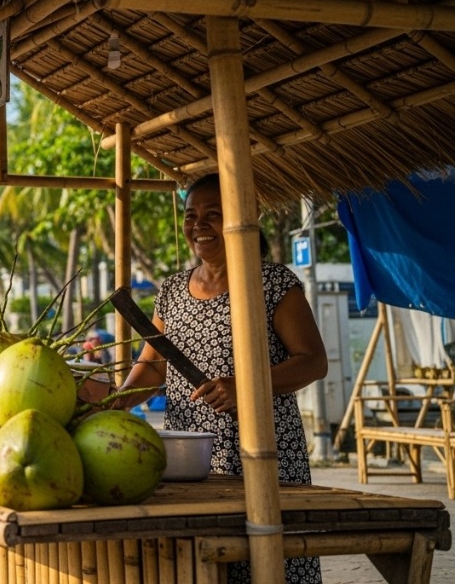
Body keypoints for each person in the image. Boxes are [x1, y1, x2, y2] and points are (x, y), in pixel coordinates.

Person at [111, 174, 328, 584]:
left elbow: (313, 362)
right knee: (203, 562)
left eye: (214, 215)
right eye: (192, 216)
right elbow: (153, 366)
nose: (200, 226)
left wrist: (245, 386)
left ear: (242, 219)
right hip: (190, 458)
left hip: (262, 451)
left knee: (267, 559)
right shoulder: (172, 290)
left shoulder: (273, 284)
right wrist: (120, 399)